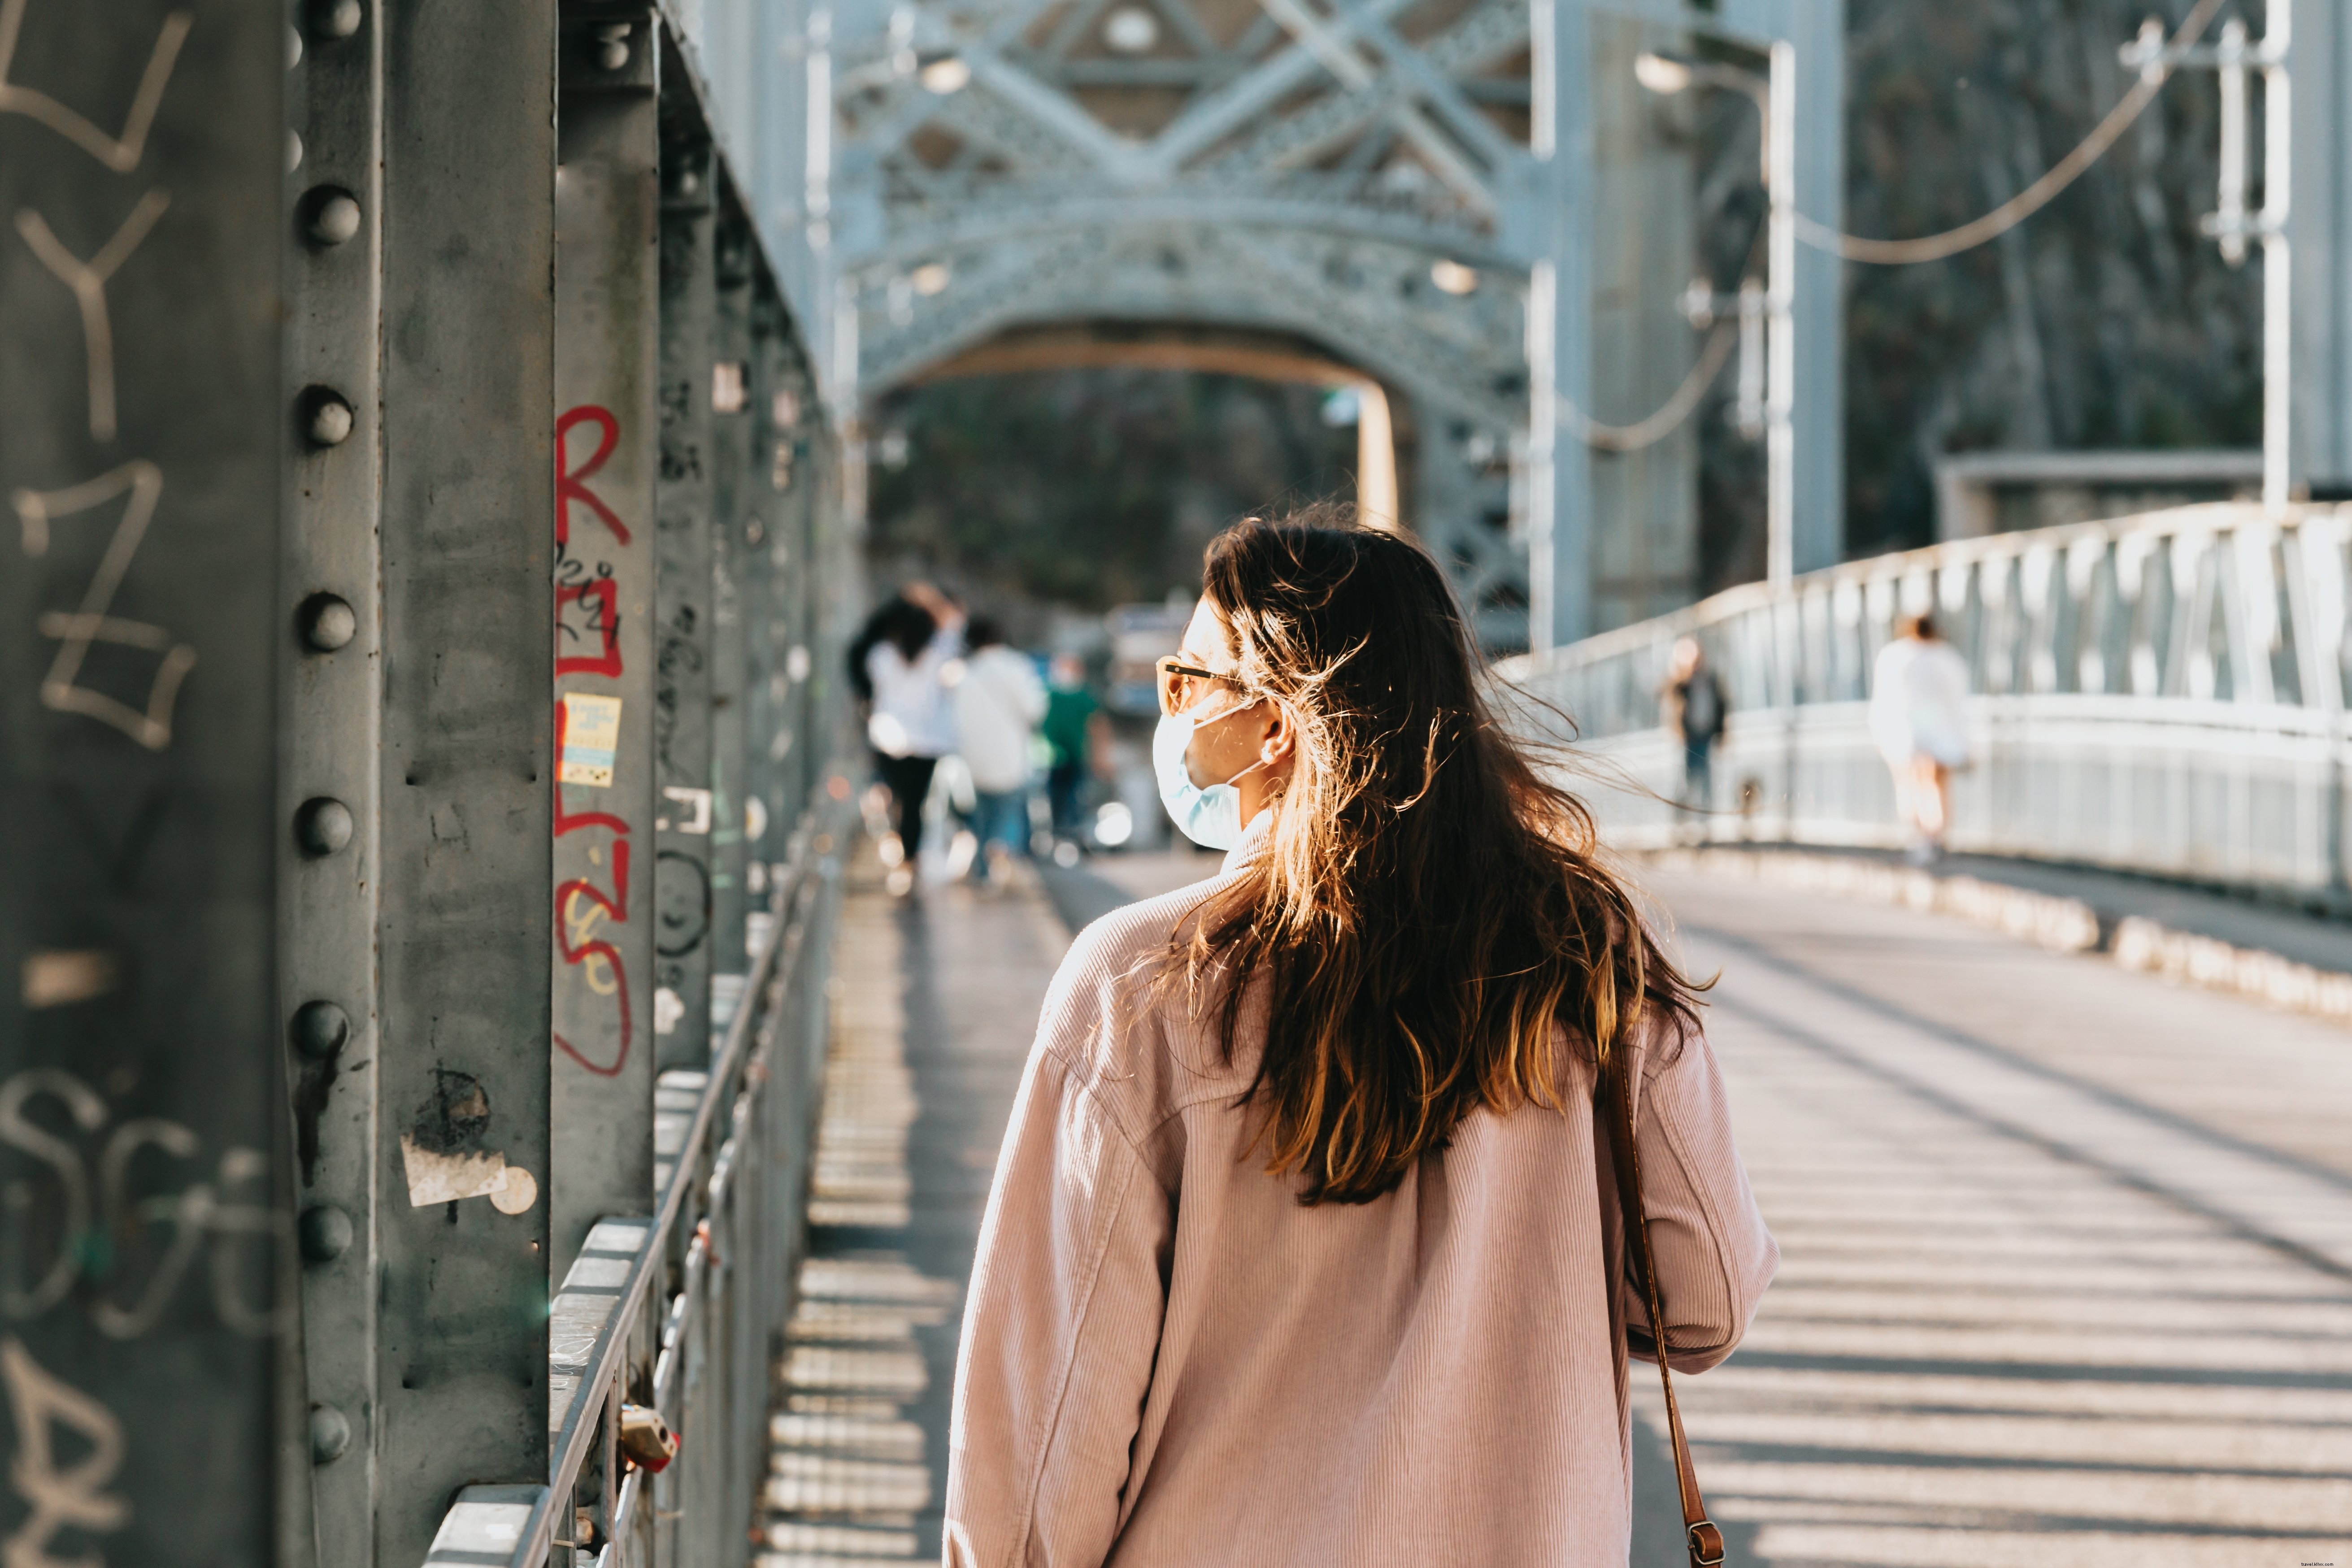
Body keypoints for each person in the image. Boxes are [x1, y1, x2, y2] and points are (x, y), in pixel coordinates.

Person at [945, 508, 1775, 1567]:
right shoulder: (1588, 961)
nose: (1173, 710)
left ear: (1274, 723)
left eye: (1186, 680)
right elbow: (1702, 1301)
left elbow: (1041, 1446)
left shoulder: (1142, 986)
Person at [847, 582, 961, 876]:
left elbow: (868, 685)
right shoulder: (938, 655)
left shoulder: (881, 655)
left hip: (888, 737)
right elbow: (954, 629)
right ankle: (909, 862)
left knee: (891, 793)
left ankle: (891, 841)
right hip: (928, 740)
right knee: (915, 805)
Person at [950, 616, 1046, 885]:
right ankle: (1003, 853)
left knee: (979, 817)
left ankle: (982, 873)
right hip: (1010, 754)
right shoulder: (1016, 666)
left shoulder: (963, 672)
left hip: (972, 757)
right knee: (1008, 811)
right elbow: (1034, 709)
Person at [1870, 611, 1972, 864]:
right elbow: (1959, 700)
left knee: (1914, 784)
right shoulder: (1947, 658)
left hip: (1908, 733)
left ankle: (1923, 838)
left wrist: (1881, 733)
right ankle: (1937, 836)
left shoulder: (1894, 656)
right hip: (1943, 732)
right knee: (1939, 786)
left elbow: (1884, 699)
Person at [1040, 652, 1111, 843]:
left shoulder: (1083, 696)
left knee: (1075, 799)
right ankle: (1057, 837)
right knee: (1052, 801)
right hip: (1050, 758)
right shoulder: (1048, 694)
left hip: (1077, 756)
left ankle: (1073, 837)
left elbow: (1098, 726)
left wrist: (1100, 756)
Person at [1660, 634, 1726, 814]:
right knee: (1686, 779)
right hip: (1687, 738)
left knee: (1706, 779)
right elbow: (1666, 694)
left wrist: (1722, 733)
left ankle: (1705, 818)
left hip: (1706, 735)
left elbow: (1721, 705)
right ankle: (1683, 816)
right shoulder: (1682, 683)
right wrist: (1682, 675)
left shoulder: (1711, 680)